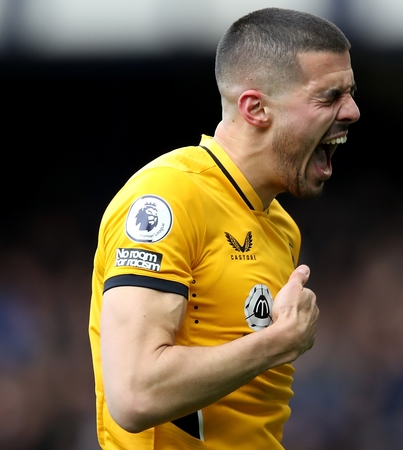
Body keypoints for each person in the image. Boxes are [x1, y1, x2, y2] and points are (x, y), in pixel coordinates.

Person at [88, 7, 360, 449]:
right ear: (255, 108)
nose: (352, 111)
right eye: (329, 97)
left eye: (350, 94)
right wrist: (276, 343)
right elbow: (134, 394)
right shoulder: (169, 197)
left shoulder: (280, 227)